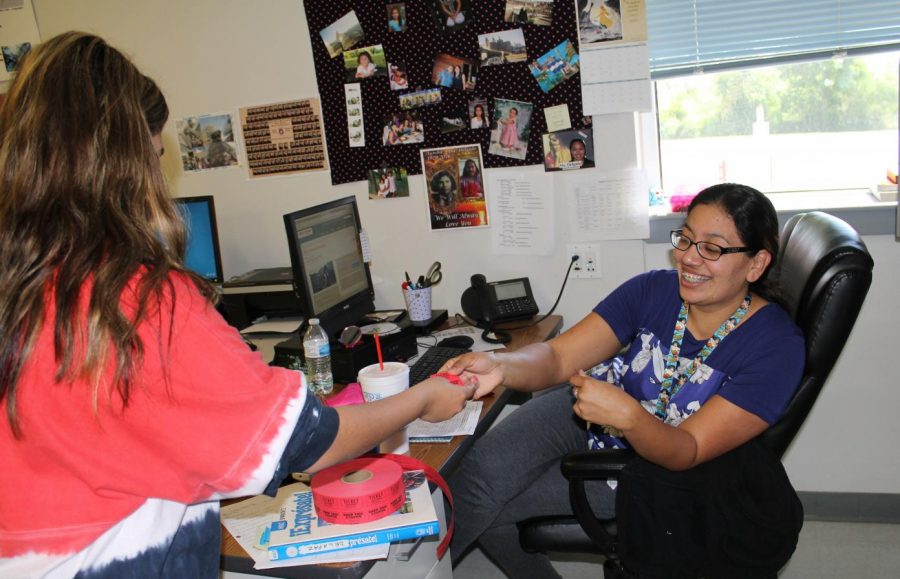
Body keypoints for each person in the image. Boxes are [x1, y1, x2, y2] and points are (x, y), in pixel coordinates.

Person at [0, 32, 474, 578]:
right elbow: (306, 443)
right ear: (123, 164)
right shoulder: (138, 301)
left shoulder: (25, 289)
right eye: (154, 158)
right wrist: (421, 399)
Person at [441, 183, 805, 578]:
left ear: (756, 264)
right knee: (474, 479)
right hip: (594, 407)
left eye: (712, 248)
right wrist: (503, 366)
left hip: (653, 467)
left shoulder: (777, 347)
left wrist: (629, 418)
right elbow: (559, 355)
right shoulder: (653, 289)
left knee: (492, 506)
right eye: (685, 238)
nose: (688, 258)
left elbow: (689, 449)